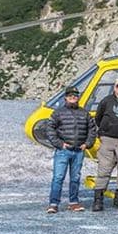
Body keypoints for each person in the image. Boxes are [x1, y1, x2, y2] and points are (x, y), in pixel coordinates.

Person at [45, 85, 97, 213]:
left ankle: (73, 202)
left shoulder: (84, 113)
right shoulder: (58, 113)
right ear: (65, 98)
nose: (72, 98)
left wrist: (87, 144)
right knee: (58, 177)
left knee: (75, 178)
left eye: (75, 96)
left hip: (79, 150)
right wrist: (59, 144)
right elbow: (49, 129)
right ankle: (53, 203)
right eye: (70, 96)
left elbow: (92, 129)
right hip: (63, 150)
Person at [92, 77, 118, 211]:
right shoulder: (107, 101)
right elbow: (98, 117)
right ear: (114, 88)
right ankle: (98, 199)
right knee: (104, 169)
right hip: (108, 139)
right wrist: (104, 131)